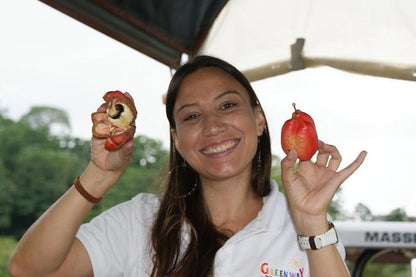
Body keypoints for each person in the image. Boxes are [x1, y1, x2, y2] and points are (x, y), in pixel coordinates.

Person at [8, 55, 367, 276]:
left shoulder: (308, 230)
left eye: (227, 106)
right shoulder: (142, 221)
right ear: (177, 140)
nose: (212, 126)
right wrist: (98, 177)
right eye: (192, 115)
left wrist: (310, 221)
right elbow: (29, 270)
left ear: (259, 120)